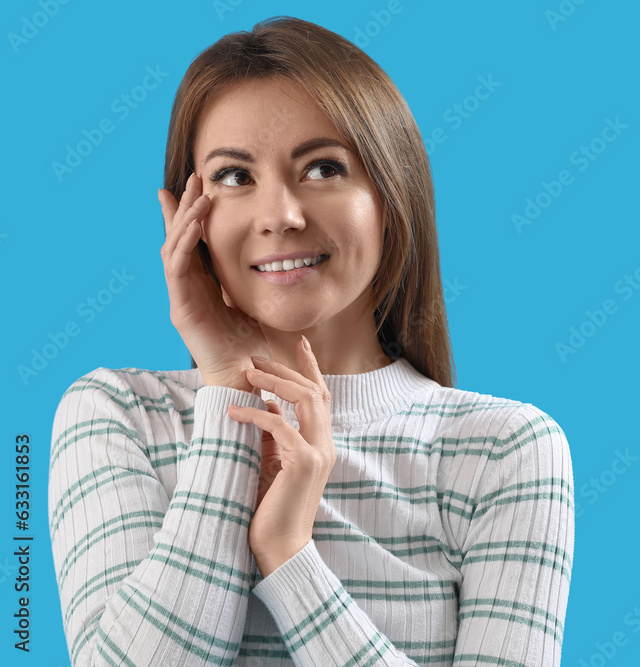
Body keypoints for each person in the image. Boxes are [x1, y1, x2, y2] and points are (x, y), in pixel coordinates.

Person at [48, 16, 574, 666]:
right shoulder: (117, 415)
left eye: (323, 167)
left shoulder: (503, 450)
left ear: (391, 192)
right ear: (192, 218)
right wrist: (229, 398)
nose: (281, 216)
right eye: (235, 177)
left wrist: (291, 556)